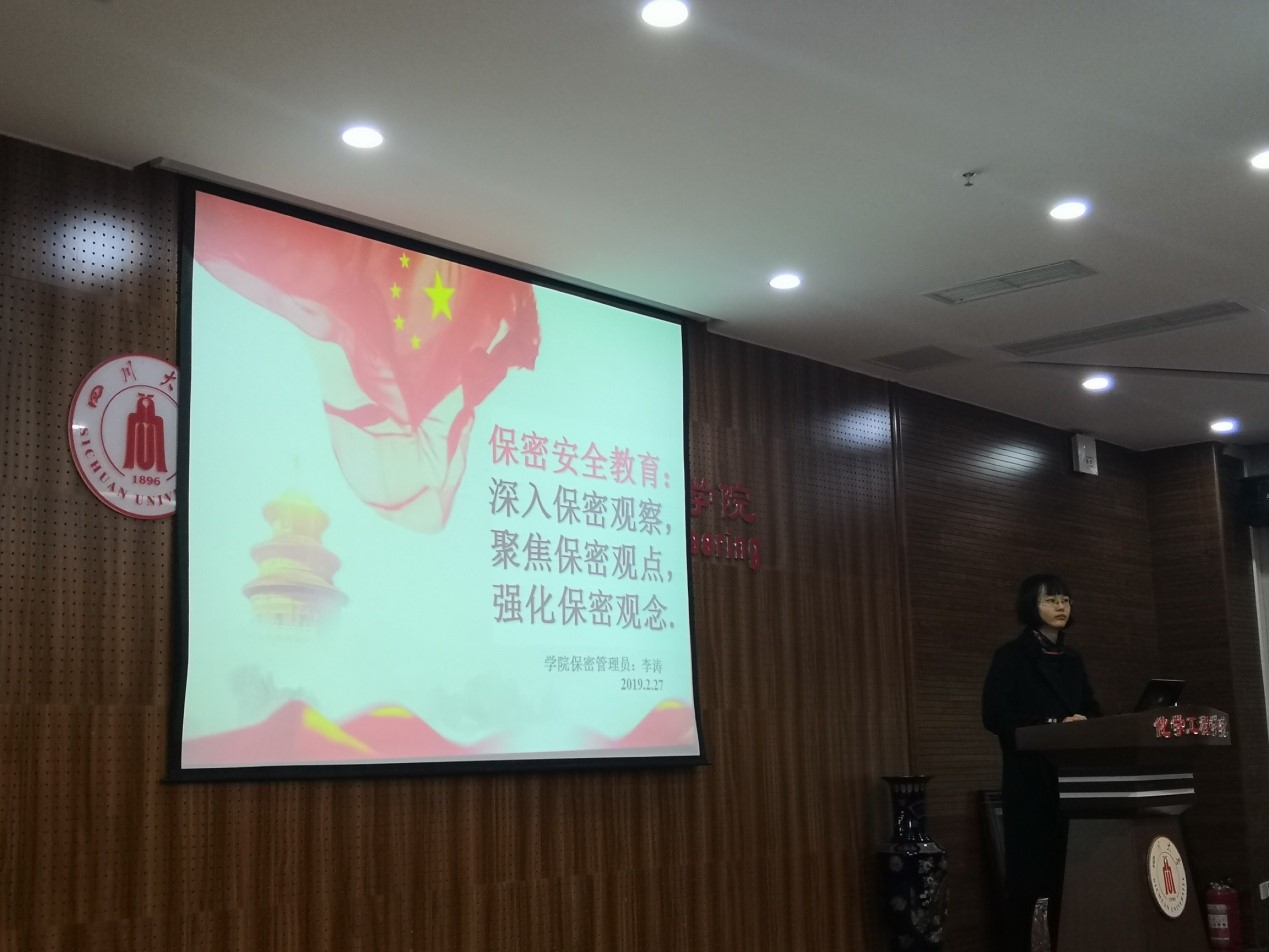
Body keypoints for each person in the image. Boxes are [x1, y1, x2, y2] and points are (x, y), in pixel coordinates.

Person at [982, 573, 1101, 952]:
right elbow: (995, 716)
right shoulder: (1010, 657)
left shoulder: (1073, 660)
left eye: (1065, 600)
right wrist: (1051, 724)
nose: (1060, 607)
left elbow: (1092, 709)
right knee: (1029, 880)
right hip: (1031, 781)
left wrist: (1085, 721)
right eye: (1051, 600)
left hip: (1073, 781)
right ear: (1030, 606)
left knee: (1072, 875)